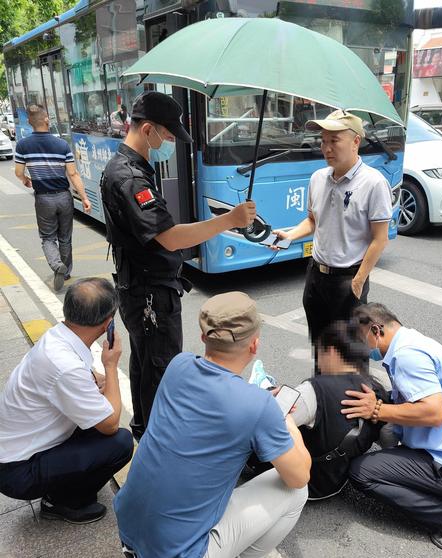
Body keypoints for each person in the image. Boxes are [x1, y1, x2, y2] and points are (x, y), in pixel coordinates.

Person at [114, 292, 310, 558]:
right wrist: (285, 421)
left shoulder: (178, 366)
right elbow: (299, 475)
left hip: (130, 533)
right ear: (254, 346)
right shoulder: (258, 406)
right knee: (295, 494)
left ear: (203, 336)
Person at [101, 91, 256, 440]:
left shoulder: (131, 167)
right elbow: (168, 237)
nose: (169, 143)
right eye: (168, 136)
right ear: (147, 129)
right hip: (150, 294)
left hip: (138, 288)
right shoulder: (130, 178)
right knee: (161, 370)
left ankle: (142, 430)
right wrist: (229, 220)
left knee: (144, 363)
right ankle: (160, 444)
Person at [342, 303, 442, 555]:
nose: (361, 349)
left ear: (375, 330)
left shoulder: (406, 356)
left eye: (360, 340)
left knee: (362, 472)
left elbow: (433, 413)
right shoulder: (412, 342)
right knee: (389, 428)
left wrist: (377, 410)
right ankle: (437, 489)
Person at [0, 278, 133, 524]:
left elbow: (88, 377)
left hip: (16, 449)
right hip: (17, 471)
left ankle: (66, 482)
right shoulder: (65, 366)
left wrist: (100, 380)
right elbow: (110, 424)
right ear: (108, 323)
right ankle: (61, 501)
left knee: (99, 421)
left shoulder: (57, 337)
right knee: (120, 442)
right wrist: (111, 365)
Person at [273, 110, 392, 343]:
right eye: (323, 141)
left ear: (356, 141)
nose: (327, 148)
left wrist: (358, 281)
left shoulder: (374, 183)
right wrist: (289, 236)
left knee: (350, 355)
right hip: (315, 276)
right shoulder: (317, 178)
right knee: (321, 348)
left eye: (334, 141)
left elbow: (380, 238)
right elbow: (313, 220)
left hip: (348, 279)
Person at [246, 321, 389, 500]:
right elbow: (387, 437)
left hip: (302, 484)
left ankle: (261, 387)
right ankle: (265, 387)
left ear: (330, 350)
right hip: (335, 481)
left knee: (265, 412)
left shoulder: (315, 390)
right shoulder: (376, 393)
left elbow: (266, 427)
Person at [15, 104, 92, 291]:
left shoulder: (23, 145)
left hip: (43, 199)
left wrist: (26, 179)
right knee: (65, 237)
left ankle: (57, 265)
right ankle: (65, 272)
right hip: (64, 197)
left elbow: (18, 172)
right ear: (47, 120)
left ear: (30, 122)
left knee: (48, 238)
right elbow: (73, 174)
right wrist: (84, 198)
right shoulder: (62, 145)